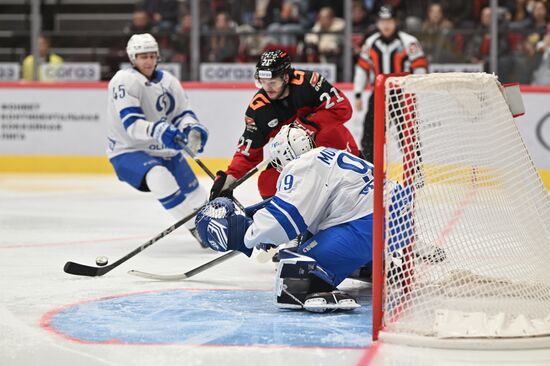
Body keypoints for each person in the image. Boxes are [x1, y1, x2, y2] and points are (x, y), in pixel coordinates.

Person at [195, 124, 412, 312]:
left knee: (294, 273)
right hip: (400, 220)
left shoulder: (301, 165)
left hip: (370, 224)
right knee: (311, 239)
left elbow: (283, 220)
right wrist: (257, 216)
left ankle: (319, 284)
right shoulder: (327, 156)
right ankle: (371, 264)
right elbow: (312, 210)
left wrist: (245, 234)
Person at [210, 49, 360, 201]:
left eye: (272, 82)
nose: (267, 88)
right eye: (263, 82)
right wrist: (229, 179)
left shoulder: (309, 83)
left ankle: (353, 174)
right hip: (294, 157)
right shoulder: (258, 110)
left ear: (286, 77)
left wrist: (306, 126)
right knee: (267, 184)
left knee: (331, 136)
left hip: (329, 146)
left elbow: (342, 109)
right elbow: (248, 152)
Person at [106, 33, 209, 246]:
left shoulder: (169, 81)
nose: (148, 61)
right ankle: (195, 229)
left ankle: (212, 228)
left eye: (152, 55)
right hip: (128, 151)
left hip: (164, 149)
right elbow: (133, 126)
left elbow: (182, 113)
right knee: (158, 176)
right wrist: (160, 130)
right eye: (143, 56)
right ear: (133, 58)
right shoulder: (124, 81)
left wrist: (191, 128)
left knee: (196, 193)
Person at [353, 5, 428, 162]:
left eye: (389, 21)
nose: (386, 25)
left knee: (408, 136)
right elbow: (362, 69)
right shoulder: (371, 42)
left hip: (403, 96)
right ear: (377, 23)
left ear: (395, 22)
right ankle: (370, 173)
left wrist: (416, 92)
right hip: (379, 95)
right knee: (370, 136)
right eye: (382, 21)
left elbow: (420, 68)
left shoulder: (409, 42)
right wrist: (358, 93)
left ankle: (415, 174)